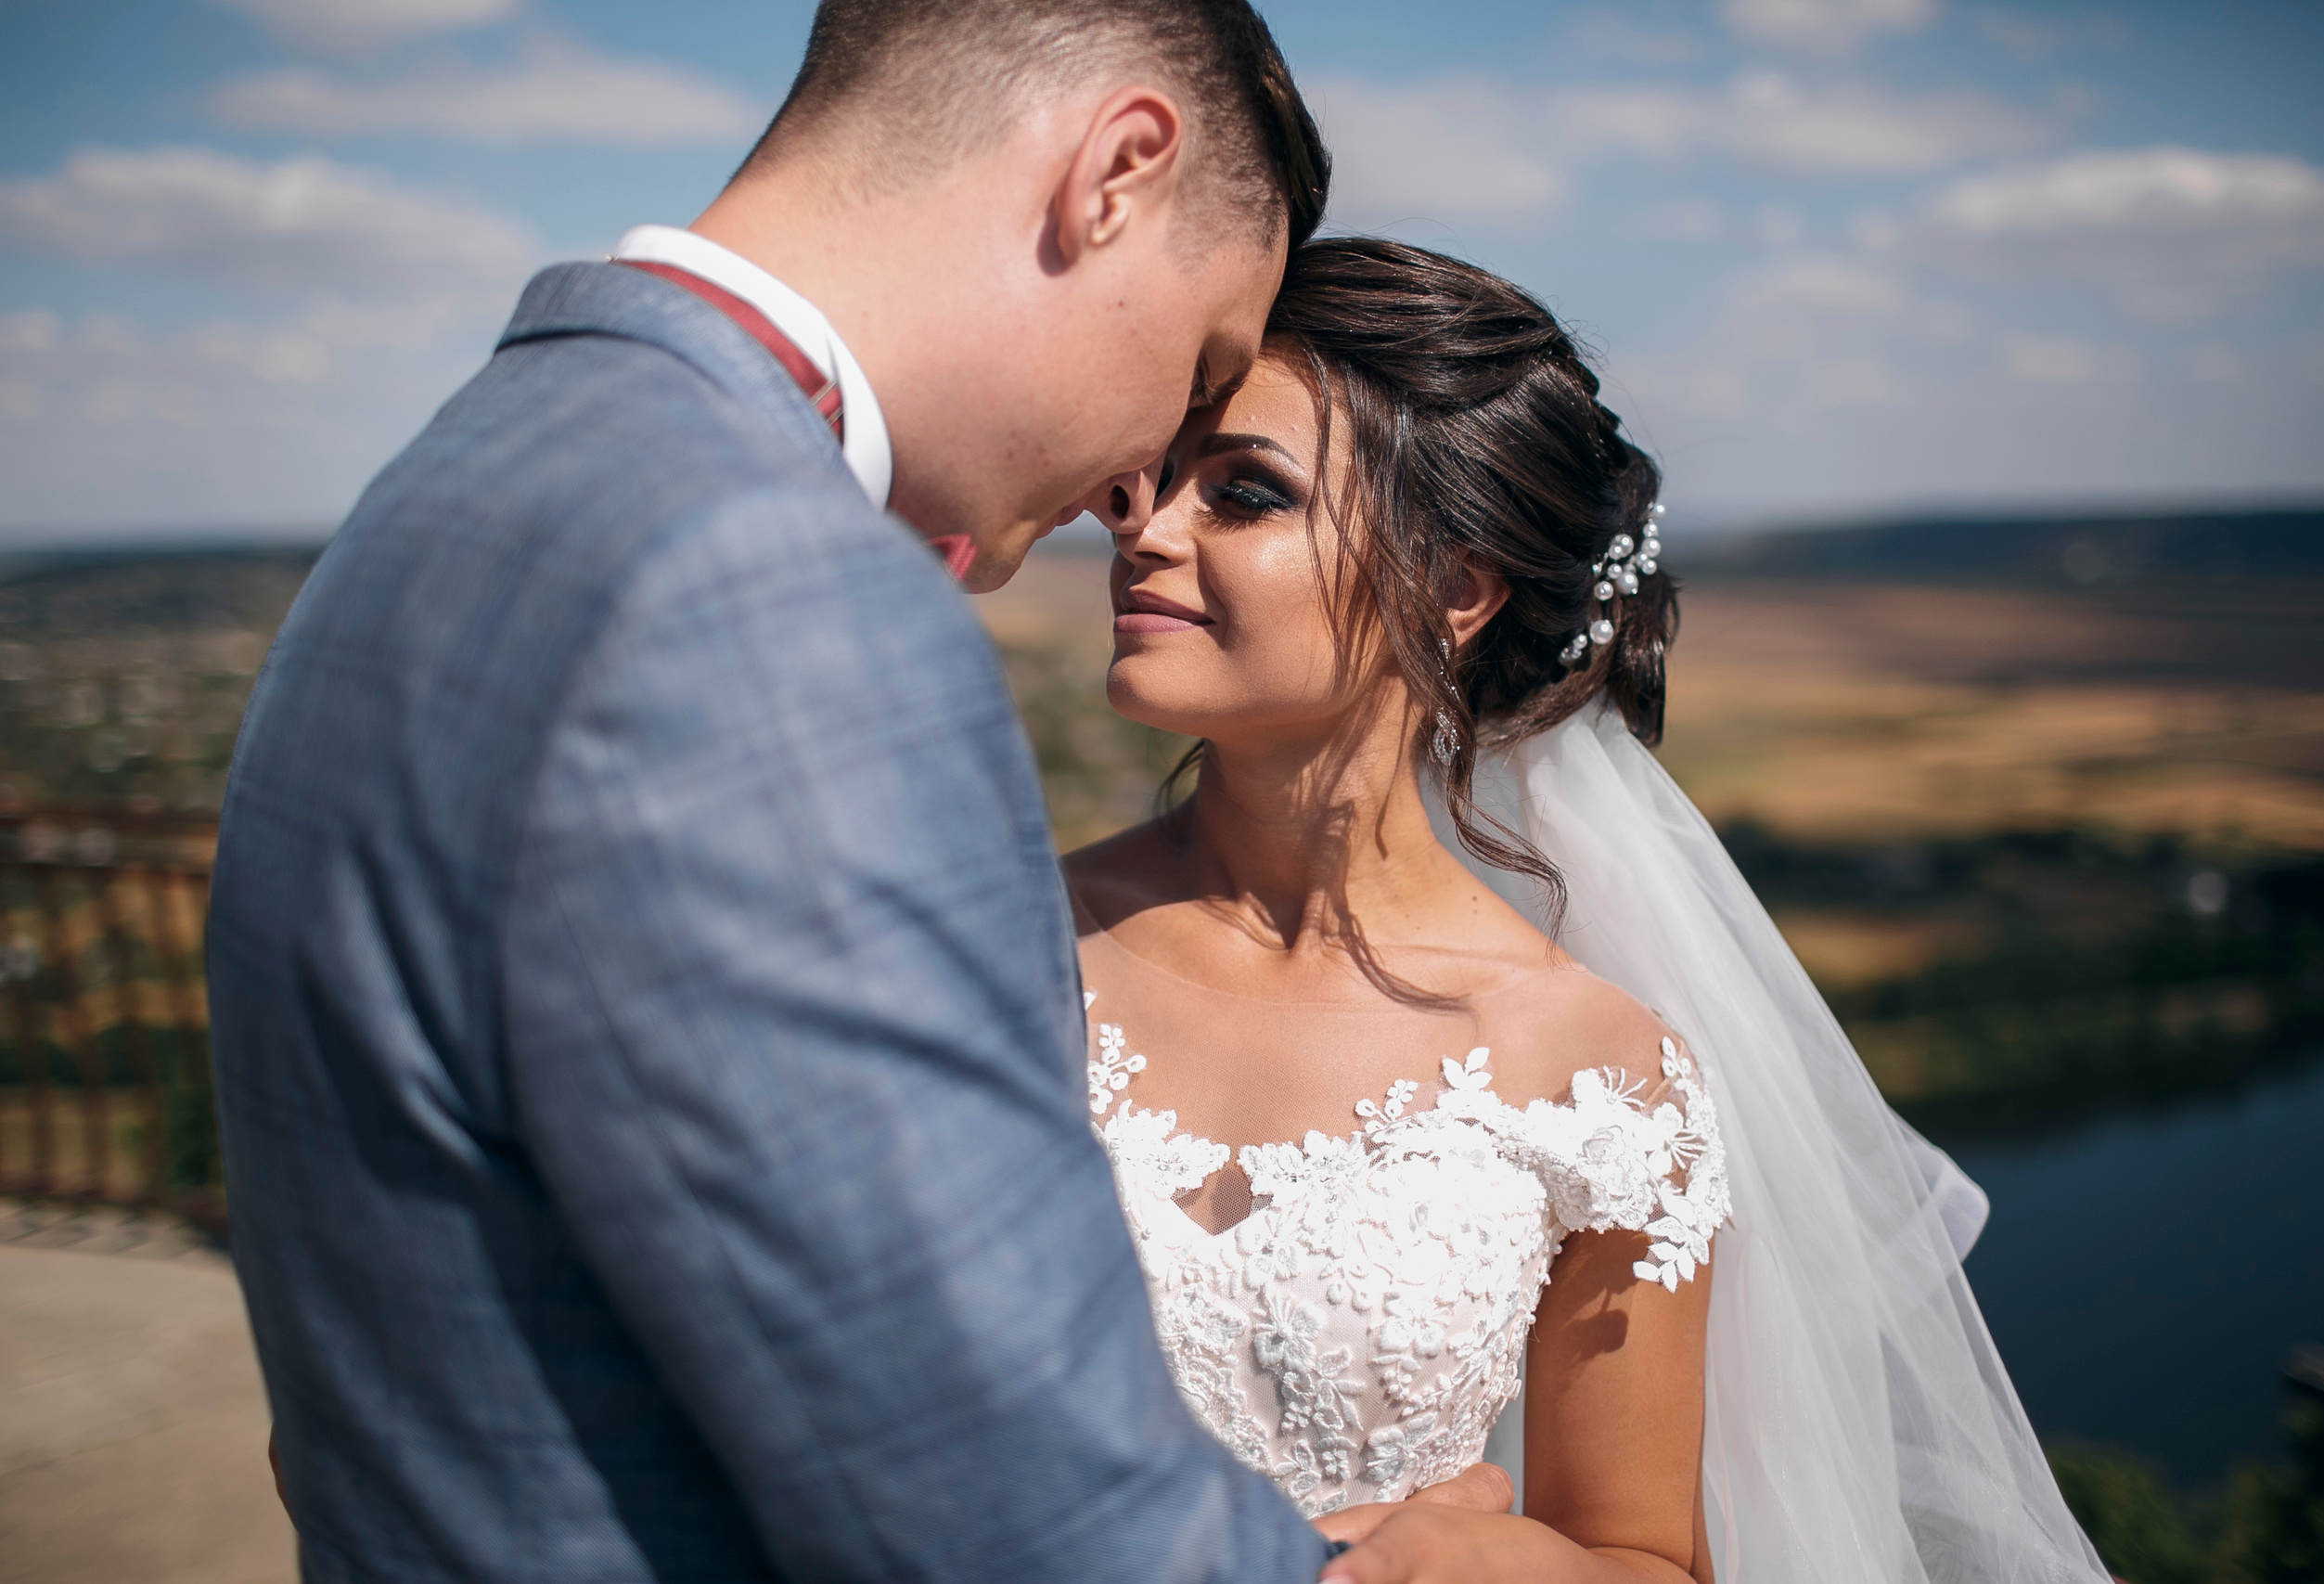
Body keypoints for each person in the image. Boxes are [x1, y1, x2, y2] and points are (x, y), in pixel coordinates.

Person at [207, 5, 1513, 1579]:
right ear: (1116, 174)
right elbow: (1019, 1527)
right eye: (1201, 363)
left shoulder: (454, 480)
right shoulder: (771, 596)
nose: (1132, 487)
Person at [1072, 238, 2112, 1583]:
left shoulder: (1596, 1080)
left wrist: (1494, 1568)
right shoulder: (989, 953)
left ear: (1456, 589)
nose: (1146, 531)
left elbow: (1642, 1562)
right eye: (1157, 483)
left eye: (1246, 494)